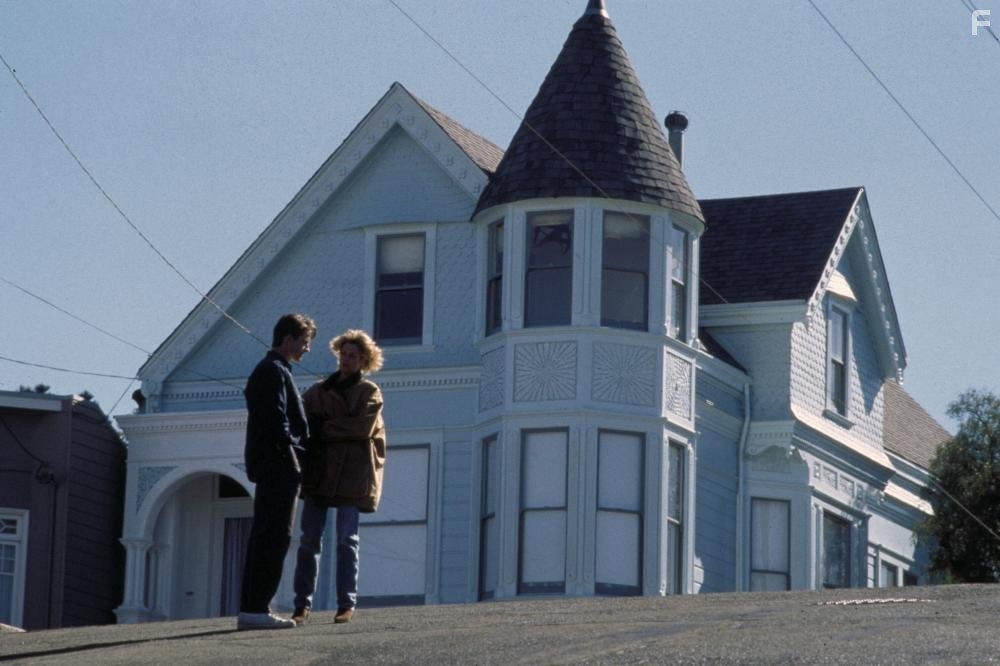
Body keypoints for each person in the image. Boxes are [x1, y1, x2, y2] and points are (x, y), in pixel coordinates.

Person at [292, 329, 386, 625]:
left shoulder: (369, 392)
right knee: (309, 540)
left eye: (353, 356)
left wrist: (325, 429)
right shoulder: (318, 391)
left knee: (348, 540)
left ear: (364, 360)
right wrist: (324, 429)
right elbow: (301, 421)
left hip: (352, 475)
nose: (346, 360)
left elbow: (362, 427)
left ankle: (346, 603)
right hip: (319, 473)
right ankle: (302, 605)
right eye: (343, 354)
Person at [237, 313, 316, 631]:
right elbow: (277, 421)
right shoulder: (272, 371)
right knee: (274, 535)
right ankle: (256, 608)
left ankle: (253, 608)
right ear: (288, 339)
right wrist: (293, 454)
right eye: (304, 342)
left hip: (274, 463)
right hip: (277, 465)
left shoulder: (274, 370)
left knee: (268, 534)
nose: (306, 349)